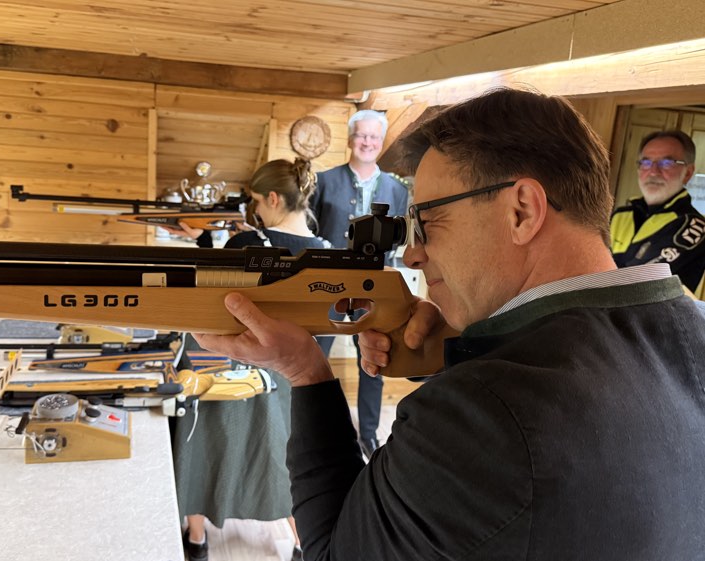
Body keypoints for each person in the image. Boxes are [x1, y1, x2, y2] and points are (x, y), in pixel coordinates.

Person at [194, 88, 705, 560]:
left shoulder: (481, 411)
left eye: (427, 220)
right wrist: (469, 347)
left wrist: (305, 370)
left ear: (523, 211)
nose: (413, 254)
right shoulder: (690, 331)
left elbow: (334, 551)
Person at [171, 158, 329, 561]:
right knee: (284, 465)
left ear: (274, 198)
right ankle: (301, 543)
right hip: (291, 383)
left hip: (230, 372)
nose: (254, 210)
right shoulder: (328, 253)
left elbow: (208, 296)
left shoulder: (245, 247)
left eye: (257, 201)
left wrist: (202, 240)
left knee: (200, 445)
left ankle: (196, 539)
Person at [310, 109, 409, 458]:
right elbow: (310, 231)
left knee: (373, 361)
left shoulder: (397, 189)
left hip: (373, 289)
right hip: (327, 285)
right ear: (350, 140)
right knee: (313, 357)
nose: (367, 142)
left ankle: (368, 435)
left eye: (373, 137)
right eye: (361, 135)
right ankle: (315, 428)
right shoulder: (323, 182)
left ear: (381, 142)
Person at [610, 130, 705, 298]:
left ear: (688, 173)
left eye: (666, 163)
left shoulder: (695, 225)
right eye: (646, 162)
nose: (653, 171)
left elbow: (637, 283)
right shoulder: (620, 215)